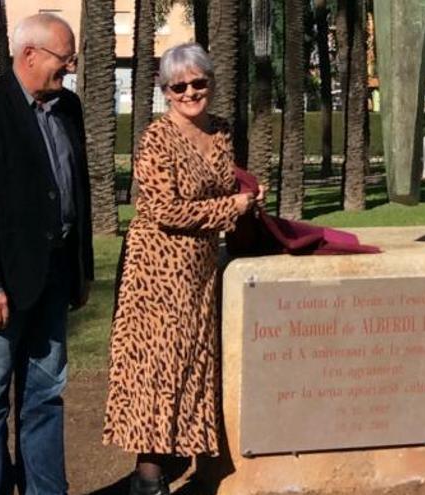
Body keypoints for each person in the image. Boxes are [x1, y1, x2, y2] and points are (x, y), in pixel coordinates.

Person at [0, 13, 92, 495]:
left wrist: (81, 271)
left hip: (53, 279)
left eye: (72, 59)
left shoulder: (69, 107)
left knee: (46, 397)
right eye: (63, 58)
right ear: (29, 55)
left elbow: (79, 192)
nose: (68, 67)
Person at [103, 42, 260, 495]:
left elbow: (228, 183)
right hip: (156, 270)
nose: (191, 92)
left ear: (210, 82)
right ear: (166, 91)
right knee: (158, 367)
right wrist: (231, 206)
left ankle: (190, 460)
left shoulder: (223, 131)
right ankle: (149, 476)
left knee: (194, 363)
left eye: (199, 82)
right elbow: (166, 210)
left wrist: (248, 193)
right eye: (180, 86)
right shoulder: (155, 138)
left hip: (202, 269)